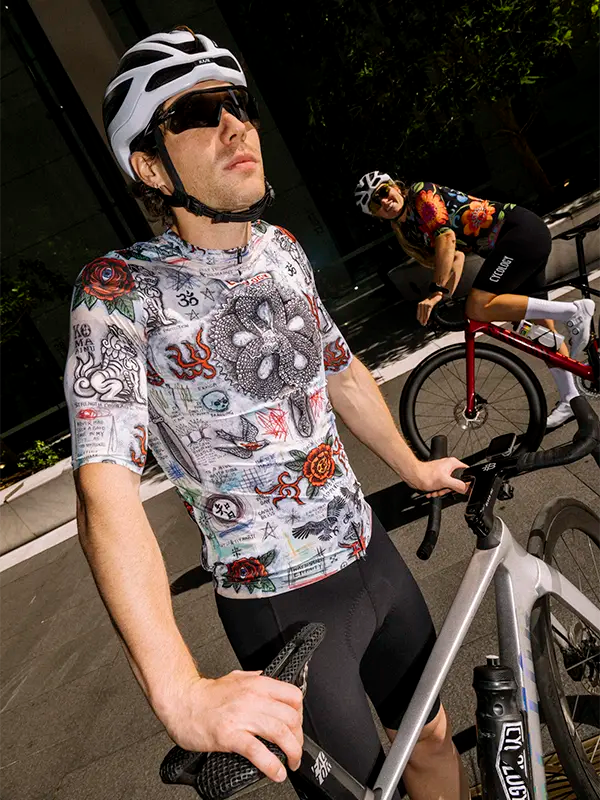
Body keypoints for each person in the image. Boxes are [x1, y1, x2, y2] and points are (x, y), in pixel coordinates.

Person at [64, 29, 470, 800]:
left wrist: (414, 468)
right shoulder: (116, 293)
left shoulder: (282, 248)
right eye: (195, 114)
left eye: (237, 105)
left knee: (434, 740)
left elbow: (339, 367)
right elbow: (103, 489)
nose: (234, 125)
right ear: (148, 166)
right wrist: (178, 690)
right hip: (282, 606)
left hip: (371, 555)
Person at [355, 171, 596, 430]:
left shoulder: (421, 194)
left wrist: (435, 291)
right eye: (375, 204)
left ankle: (573, 311)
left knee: (476, 306)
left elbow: (446, 238)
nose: (384, 202)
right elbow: (456, 257)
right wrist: (443, 295)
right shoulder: (409, 227)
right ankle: (571, 399)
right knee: (542, 334)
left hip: (517, 233)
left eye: (383, 192)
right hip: (513, 244)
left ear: (395, 186)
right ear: (376, 216)